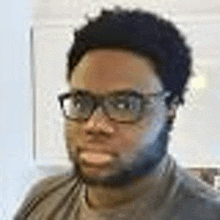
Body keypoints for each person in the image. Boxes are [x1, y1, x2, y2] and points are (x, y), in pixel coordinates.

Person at [14, 6, 220, 220]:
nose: (94, 125)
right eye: (81, 102)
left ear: (171, 108)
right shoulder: (44, 199)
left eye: (125, 105)